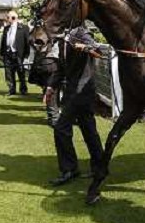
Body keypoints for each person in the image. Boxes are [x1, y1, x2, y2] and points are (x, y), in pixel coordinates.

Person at [46, 26, 108, 187]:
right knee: (89, 130)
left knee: (61, 128)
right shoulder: (61, 38)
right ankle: (100, 166)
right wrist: (51, 87)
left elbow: (99, 53)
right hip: (71, 91)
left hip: (82, 91)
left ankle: (70, 169)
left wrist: (86, 47)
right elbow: (61, 67)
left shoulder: (81, 33)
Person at [0, 10, 30, 96]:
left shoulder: (23, 28)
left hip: (19, 54)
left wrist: (26, 56)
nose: (9, 19)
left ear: (15, 18)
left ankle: (23, 90)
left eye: (11, 17)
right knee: (9, 73)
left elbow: (27, 43)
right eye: (8, 17)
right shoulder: (6, 28)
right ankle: (11, 89)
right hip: (8, 54)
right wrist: (2, 54)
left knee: (21, 73)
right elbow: (3, 42)